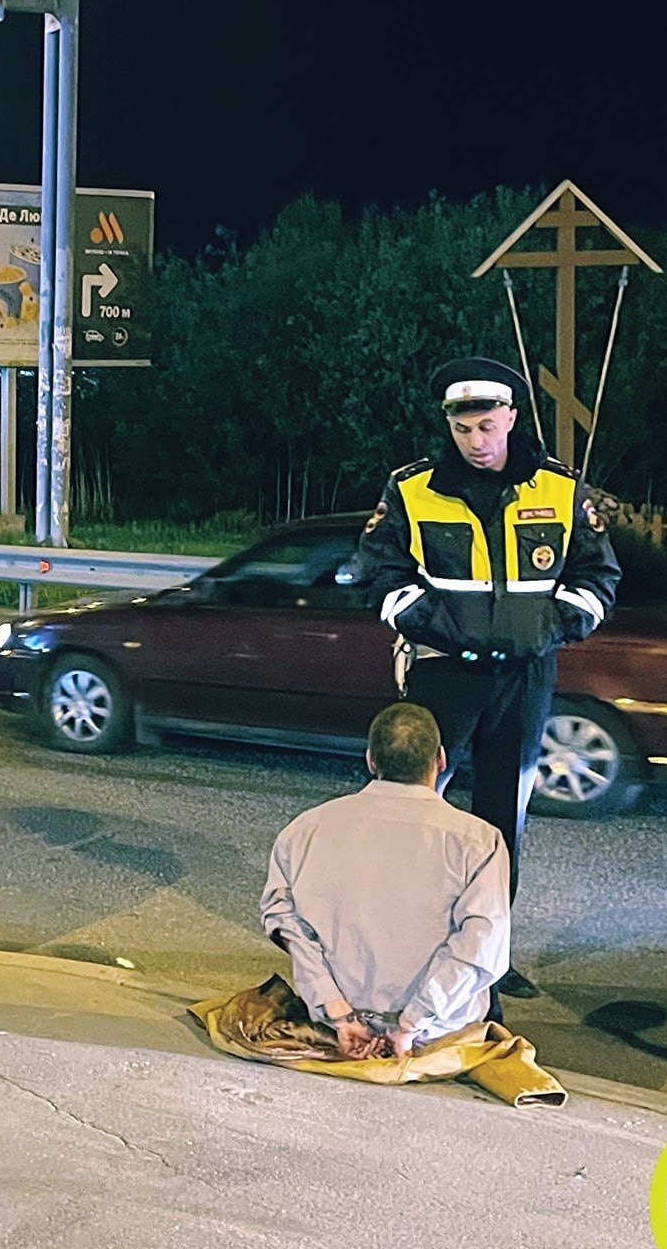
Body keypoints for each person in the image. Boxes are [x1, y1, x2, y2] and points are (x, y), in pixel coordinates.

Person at [355, 356, 619, 998]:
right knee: (415, 814)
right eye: (464, 429)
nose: (477, 443)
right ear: (449, 424)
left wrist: (552, 628)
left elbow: (598, 579)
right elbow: (378, 575)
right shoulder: (412, 489)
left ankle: (487, 959)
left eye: (488, 427)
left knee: (504, 822)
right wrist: (439, 627)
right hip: (443, 677)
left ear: (512, 418)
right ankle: (407, 947)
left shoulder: (561, 491)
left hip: (525, 680)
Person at [260, 702, 511, 1057]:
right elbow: (482, 947)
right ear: (440, 760)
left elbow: (285, 924)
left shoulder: (305, 829)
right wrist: (410, 1025)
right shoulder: (480, 841)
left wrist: (338, 1012)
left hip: (335, 1024)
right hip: (434, 1032)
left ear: (370, 760)